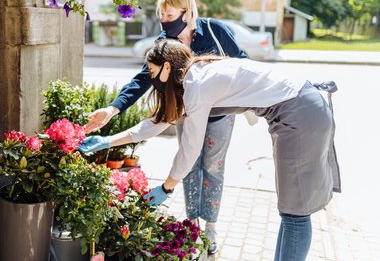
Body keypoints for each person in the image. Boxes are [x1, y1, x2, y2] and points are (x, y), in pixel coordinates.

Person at [80, 39, 341, 261]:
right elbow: (157, 123)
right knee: (290, 211)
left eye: (151, 70)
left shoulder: (197, 86)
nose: (150, 77)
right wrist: (108, 141)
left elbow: (190, 147)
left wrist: (167, 187)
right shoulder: (196, 76)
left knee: (296, 213)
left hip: (300, 113)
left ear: (167, 67)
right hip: (297, 110)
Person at [84, 0, 247, 254]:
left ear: (188, 12)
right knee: (189, 163)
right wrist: (113, 109)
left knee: (213, 167)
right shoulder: (165, 42)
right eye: (161, 14)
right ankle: (192, 224)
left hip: (220, 115)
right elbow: (143, 79)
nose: (164, 20)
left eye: (170, 14)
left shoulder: (215, 31)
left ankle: (211, 226)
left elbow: (241, 64)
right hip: (185, 111)